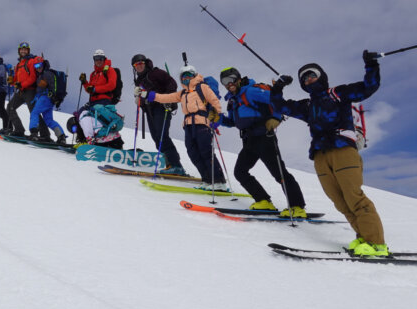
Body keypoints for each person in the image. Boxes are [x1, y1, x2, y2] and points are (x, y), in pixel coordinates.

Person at [270, 52, 387, 256]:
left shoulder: (339, 93)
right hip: (320, 155)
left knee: (354, 197)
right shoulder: (307, 106)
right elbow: (279, 106)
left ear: (321, 76)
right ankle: (362, 238)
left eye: (312, 75)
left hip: (342, 149)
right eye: (304, 78)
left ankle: (376, 244)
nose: (308, 79)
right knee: (339, 201)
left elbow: (369, 87)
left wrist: (371, 64)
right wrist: (278, 87)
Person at [218, 67, 307, 217]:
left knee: (279, 173)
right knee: (240, 172)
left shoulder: (251, 91)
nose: (229, 83)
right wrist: (218, 118)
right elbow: (233, 122)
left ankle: (297, 206)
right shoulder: (233, 100)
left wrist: (276, 118)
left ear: (238, 78)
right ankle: (263, 201)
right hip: (249, 140)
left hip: (264, 137)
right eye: (225, 81)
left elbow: (276, 102)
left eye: (231, 79)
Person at [143, 64, 228, 191]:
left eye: (188, 75)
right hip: (188, 125)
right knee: (193, 153)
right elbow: (167, 97)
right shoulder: (183, 93)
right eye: (183, 76)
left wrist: (216, 118)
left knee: (205, 152)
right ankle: (206, 180)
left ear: (194, 75)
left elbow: (215, 101)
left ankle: (219, 181)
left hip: (202, 123)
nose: (186, 78)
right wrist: (150, 95)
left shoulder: (202, 87)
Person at [131, 54, 186, 174]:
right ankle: (170, 164)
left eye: (141, 63)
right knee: (156, 138)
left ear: (145, 63)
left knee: (162, 136)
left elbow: (172, 83)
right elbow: (143, 99)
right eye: (136, 65)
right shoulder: (139, 80)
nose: (139, 66)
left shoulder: (155, 73)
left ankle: (176, 165)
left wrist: (167, 98)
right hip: (150, 111)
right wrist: (138, 99)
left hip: (162, 108)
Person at [76, 49, 124, 148]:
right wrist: (85, 82)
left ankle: (110, 140)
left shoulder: (110, 70)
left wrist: (95, 89)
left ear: (104, 59)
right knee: (82, 114)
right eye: (96, 59)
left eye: (100, 58)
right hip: (93, 101)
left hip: (104, 100)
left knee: (99, 119)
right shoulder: (93, 74)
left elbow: (112, 85)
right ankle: (88, 138)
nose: (98, 61)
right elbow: (90, 90)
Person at [5, 42, 50, 139]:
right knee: (10, 107)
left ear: (28, 51)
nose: (23, 51)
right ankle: (19, 130)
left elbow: (32, 78)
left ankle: (45, 135)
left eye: (25, 49)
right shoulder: (18, 65)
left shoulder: (30, 61)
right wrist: (12, 81)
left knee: (34, 112)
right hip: (21, 92)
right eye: (22, 49)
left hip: (30, 91)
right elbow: (16, 80)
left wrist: (21, 84)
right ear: (19, 51)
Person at [28, 60, 68, 144]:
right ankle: (61, 136)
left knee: (34, 113)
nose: (38, 68)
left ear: (44, 65)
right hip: (50, 100)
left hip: (45, 98)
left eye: (39, 65)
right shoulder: (43, 74)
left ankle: (33, 133)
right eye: (36, 66)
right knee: (48, 120)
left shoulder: (46, 73)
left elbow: (52, 86)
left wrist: (48, 89)